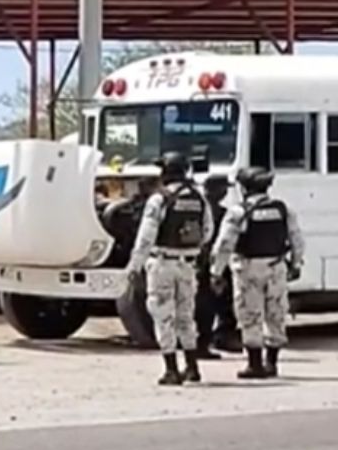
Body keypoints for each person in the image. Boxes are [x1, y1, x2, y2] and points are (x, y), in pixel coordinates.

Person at [209, 167, 305, 379]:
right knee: (276, 313)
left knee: (250, 314)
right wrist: (296, 264)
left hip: (248, 269)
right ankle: (271, 363)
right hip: (276, 267)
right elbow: (297, 239)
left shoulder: (238, 212)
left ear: (244, 188)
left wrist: (216, 272)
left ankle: (255, 365)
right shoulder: (283, 209)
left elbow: (224, 245)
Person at [127, 152, 213, 385]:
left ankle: (171, 370)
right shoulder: (199, 198)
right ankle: (192, 367)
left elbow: (146, 237)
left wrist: (134, 266)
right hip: (188, 265)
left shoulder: (159, 199)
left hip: (162, 264)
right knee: (186, 316)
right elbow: (207, 232)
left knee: (163, 316)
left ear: (166, 172)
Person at [194, 173, 237, 358]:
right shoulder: (219, 212)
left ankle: (210, 340)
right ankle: (213, 340)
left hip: (199, 262)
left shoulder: (199, 209)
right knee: (214, 304)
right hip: (212, 263)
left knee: (207, 303)